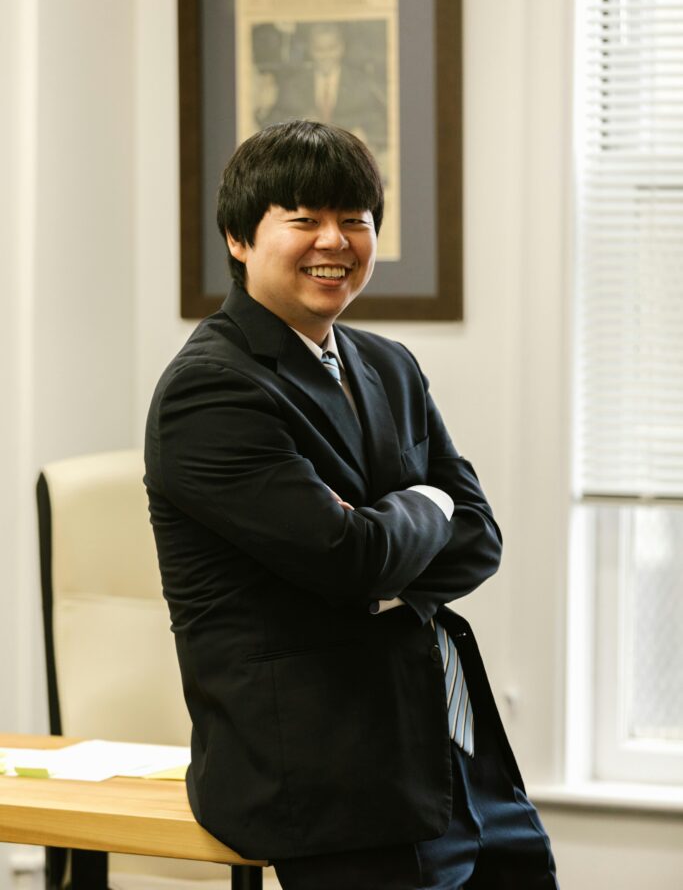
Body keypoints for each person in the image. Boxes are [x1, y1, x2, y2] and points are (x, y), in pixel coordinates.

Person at [144, 120, 559, 889]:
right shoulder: (210, 389)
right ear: (238, 239)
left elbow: (479, 538)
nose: (332, 242)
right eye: (302, 220)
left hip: (450, 746)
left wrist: (383, 546)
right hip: (322, 773)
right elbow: (351, 559)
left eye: (353, 221)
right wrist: (422, 505)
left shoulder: (386, 364)